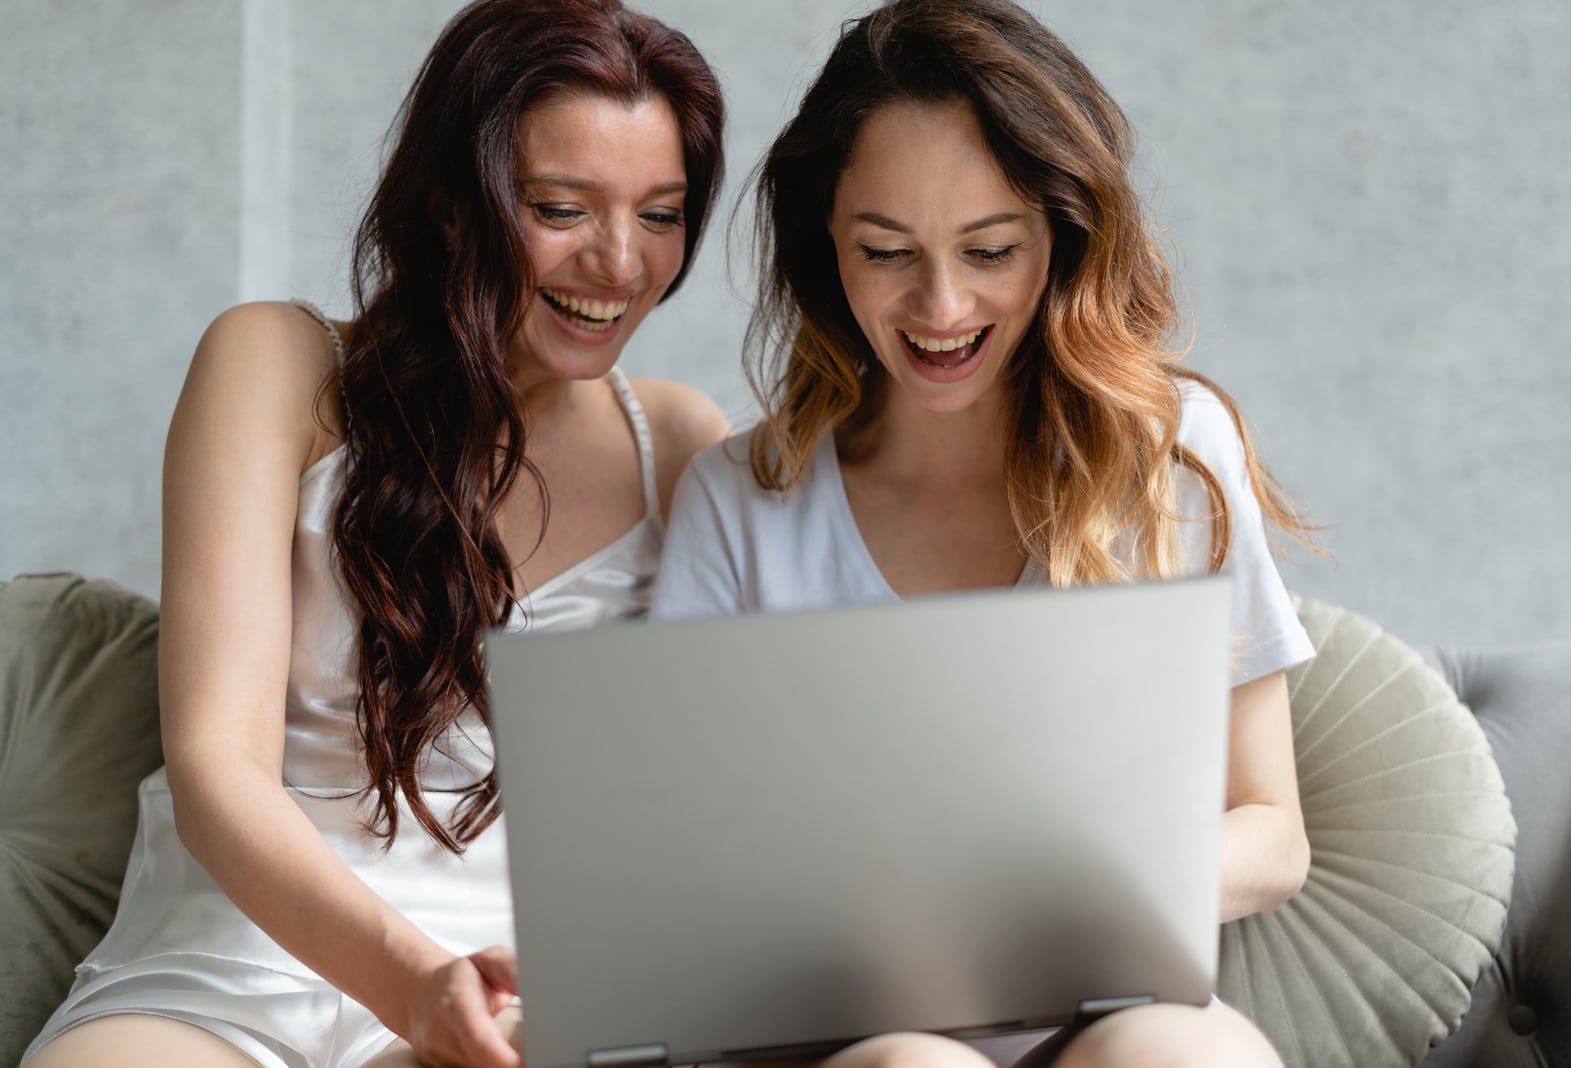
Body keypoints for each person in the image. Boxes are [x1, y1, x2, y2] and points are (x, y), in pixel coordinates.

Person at [23, 2, 726, 1067]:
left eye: (662, 213)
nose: (619, 263)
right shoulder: (276, 365)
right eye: (559, 207)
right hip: (226, 976)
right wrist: (411, 985)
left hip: (511, 1009)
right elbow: (216, 763)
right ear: (451, 205)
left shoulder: (675, 444)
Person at [651, 1, 1315, 1066]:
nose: (942, 303)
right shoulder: (741, 498)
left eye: (990, 248)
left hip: (1108, 1011)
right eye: (887, 250)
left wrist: (1051, 893)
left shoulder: (1170, 454)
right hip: (847, 1036)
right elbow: (683, 870)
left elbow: (1270, 832)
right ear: (827, 238)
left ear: (1060, 234)